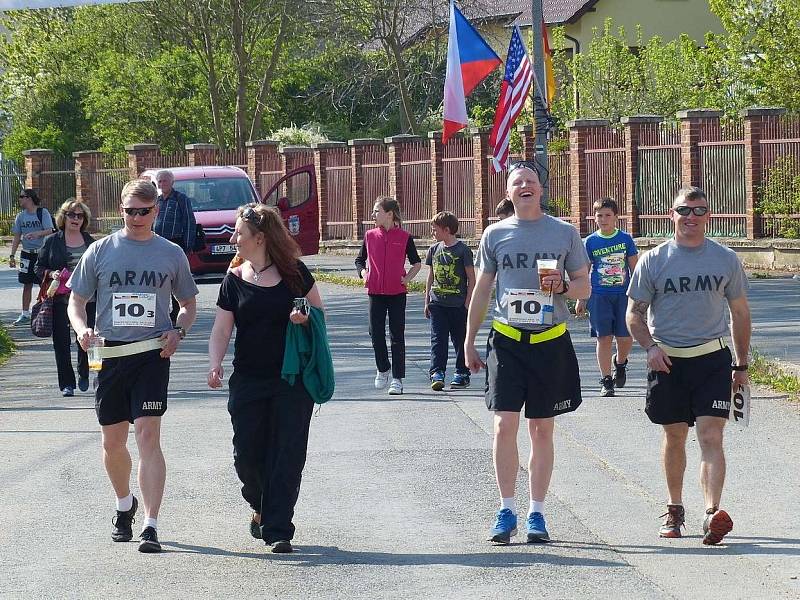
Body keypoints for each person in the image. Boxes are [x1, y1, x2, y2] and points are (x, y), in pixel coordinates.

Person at [68, 179, 198, 554]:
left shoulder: (171, 253)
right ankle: (124, 504)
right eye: (130, 211)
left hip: (152, 355)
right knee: (113, 442)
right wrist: (82, 329)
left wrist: (179, 331)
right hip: (110, 355)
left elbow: (188, 304)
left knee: (147, 435)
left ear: (156, 210)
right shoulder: (101, 250)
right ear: (120, 210)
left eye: (144, 211)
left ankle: (151, 524)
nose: (137, 217)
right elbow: (76, 301)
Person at [465, 161, 590, 545]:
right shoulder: (495, 234)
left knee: (541, 427)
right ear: (508, 193)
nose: (524, 186)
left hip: (550, 340)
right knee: (504, 424)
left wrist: (564, 286)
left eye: (530, 181)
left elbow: (585, 287)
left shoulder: (564, 233)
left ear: (541, 190)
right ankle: (506, 508)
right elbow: (483, 289)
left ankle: (537, 512)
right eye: (517, 182)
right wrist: (469, 341)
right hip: (507, 339)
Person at [626, 186, 751, 546]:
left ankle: (713, 514)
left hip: (712, 359)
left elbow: (740, 313)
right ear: (672, 214)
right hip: (667, 361)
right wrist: (649, 347)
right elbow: (633, 314)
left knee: (711, 435)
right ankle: (675, 509)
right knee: (675, 435)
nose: (692, 218)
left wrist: (740, 365)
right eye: (685, 211)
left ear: (709, 216)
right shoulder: (654, 260)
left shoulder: (725, 259)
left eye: (699, 211)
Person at [208, 203, 324, 554]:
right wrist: (215, 364)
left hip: (292, 380)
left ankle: (278, 528)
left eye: (239, 233)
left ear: (260, 237)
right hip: (248, 379)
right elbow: (221, 328)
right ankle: (261, 505)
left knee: (287, 453)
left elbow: (318, 313)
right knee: (247, 455)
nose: (233, 238)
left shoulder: (295, 274)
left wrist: (304, 318)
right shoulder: (233, 280)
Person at [355, 196, 422, 395]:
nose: (373, 214)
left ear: (389, 214)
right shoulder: (369, 235)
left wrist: (407, 279)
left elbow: (416, 262)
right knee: (374, 333)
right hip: (375, 291)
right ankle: (383, 368)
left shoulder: (404, 237)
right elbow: (359, 260)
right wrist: (363, 273)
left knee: (396, 335)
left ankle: (397, 379)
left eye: (377, 211)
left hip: (396, 293)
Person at [575, 198, 638, 397]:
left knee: (625, 337)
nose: (603, 219)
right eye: (599, 215)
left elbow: (635, 270)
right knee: (603, 338)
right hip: (599, 296)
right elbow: (584, 272)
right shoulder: (591, 242)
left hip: (623, 295)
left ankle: (620, 362)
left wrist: (640, 297)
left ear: (616, 217)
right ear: (595, 218)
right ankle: (606, 379)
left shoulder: (625, 239)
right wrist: (582, 297)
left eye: (607, 215)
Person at [35, 199, 97, 397]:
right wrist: (52, 274)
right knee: (61, 342)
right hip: (60, 300)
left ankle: (84, 373)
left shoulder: (91, 243)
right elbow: (38, 267)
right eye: (71, 214)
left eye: (80, 216)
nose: (75, 219)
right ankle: (66, 384)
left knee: (86, 337)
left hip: (88, 299)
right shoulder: (52, 241)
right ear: (64, 217)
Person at [424, 211, 475, 390]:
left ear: (446, 230)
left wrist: (468, 302)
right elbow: (430, 277)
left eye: (435, 229)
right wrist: (427, 301)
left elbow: (472, 279)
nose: (433, 233)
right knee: (438, 339)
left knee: (459, 339)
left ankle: (462, 373)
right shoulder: (433, 249)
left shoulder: (463, 250)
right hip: (437, 303)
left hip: (458, 304)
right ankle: (437, 372)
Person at [153, 169, 196, 323]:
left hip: (175, 243)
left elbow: (189, 222)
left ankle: (178, 310)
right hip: (157, 244)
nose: (162, 184)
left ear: (172, 182)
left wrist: (188, 245)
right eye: (160, 181)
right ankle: (162, 309)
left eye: (165, 181)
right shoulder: (155, 201)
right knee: (159, 277)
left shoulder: (180, 199)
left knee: (174, 277)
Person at [8, 188, 54, 326]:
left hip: (41, 254)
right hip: (26, 254)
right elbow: (16, 237)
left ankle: (47, 312)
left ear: (29, 198)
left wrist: (37, 234)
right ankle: (25, 314)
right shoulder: (20, 216)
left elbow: (51, 230)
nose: (20, 199)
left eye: (22, 197)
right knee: (26, 283)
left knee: (44, 283)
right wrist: (12, 255)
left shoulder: (42, 213)